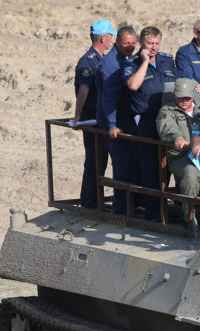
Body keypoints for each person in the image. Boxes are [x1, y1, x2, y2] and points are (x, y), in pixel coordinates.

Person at [124, 26, 176, 220]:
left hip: (169, 118)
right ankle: (154, 214)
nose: (153, 47)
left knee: (170, 164)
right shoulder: (133, 62)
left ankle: (167, 208)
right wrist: (145, 61)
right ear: (141, 43)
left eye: (156, 43)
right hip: (147, 120)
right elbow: (133, 85)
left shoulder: (167, 60)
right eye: (149, 44)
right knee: (150, 168)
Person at [72, 19, 116, 209]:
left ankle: (94, 199)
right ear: (103, 38)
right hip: (91, 119)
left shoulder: (100, 59)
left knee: (100, 159)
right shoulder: (88, 61)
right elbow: (83, 91)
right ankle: (90, 201)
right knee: (94, 160)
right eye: (110, 36)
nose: (112, 40)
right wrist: (77, 117)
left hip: (98, 118)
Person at [97, 25, 138, 214]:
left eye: (133, 43)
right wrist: (112, 125)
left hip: (128, 119)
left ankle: (133, 205)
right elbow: (109, 98)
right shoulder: (111, 63)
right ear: (117, 42)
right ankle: (120, 210)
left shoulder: (128, 59)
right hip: (116, 122)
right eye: (126, 43)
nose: (130, 46)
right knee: (122, 166)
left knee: (133, 164)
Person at [156, 78, 200, 221]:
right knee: (191, 175)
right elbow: (167, 128)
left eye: (187, 96)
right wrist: (177, 138)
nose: (184, 100)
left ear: (193, 94)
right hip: (181, 157)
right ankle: (191, 220)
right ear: (174, 94)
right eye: (180, 96)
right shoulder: (167, 110)